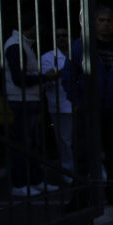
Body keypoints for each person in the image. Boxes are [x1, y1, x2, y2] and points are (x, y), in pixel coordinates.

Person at [63, 6, 113, 210]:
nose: (105, 24)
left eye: (109, 20)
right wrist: (78, 101)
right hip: (89, 109)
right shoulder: (81, 46)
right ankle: (79, 198)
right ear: (94, 23)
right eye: (100, 20)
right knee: (83, 155)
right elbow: (68, 75)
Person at [4, 20, 59, 196]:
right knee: (23, 142)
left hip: (29, 99)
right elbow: (19, 79)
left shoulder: (23, 45)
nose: (39, 30)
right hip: (21, 100)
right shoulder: (15, 46)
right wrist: (45, 77)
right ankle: (19, 184)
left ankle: (36, 180)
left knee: (32, 142)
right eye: (37, 26)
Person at [41, 28, 74, 182]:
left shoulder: (77, 53)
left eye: (64, 35)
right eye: (58, 36)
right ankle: (68, 171)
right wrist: (65, 70)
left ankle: (83, 169)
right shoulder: (47, 57)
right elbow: (47, 77)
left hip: (79, 104)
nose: (61, 38)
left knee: (81, 138)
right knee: (64, 140)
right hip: (60, 105)